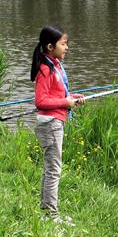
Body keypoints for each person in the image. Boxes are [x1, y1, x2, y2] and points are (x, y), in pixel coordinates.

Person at [31, 24, 84, 224]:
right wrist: (65, 103)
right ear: (50, 47)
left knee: (50, 168)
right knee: (54, 170)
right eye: (63, 44)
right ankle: (51, 216)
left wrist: (71, 98)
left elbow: (56, 95)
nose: (67, 47)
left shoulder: (54, 66)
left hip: (54, 122)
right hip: (51, 124)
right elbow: (40, 101)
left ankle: (46, 211)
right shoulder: (45, 69)